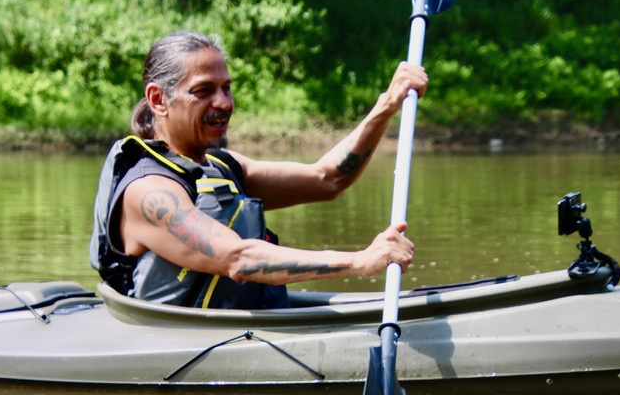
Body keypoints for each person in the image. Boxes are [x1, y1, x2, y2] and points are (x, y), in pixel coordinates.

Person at [90, 31, 427, 309]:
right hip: (179, 339)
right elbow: (238, 258)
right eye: (204, 91)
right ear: (158, 99)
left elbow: (328, 179)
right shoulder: (150, 192)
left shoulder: (221, 166)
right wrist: (358, 261)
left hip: (243, 326)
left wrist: (386, 106)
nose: (223, 103)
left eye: (226, 87)